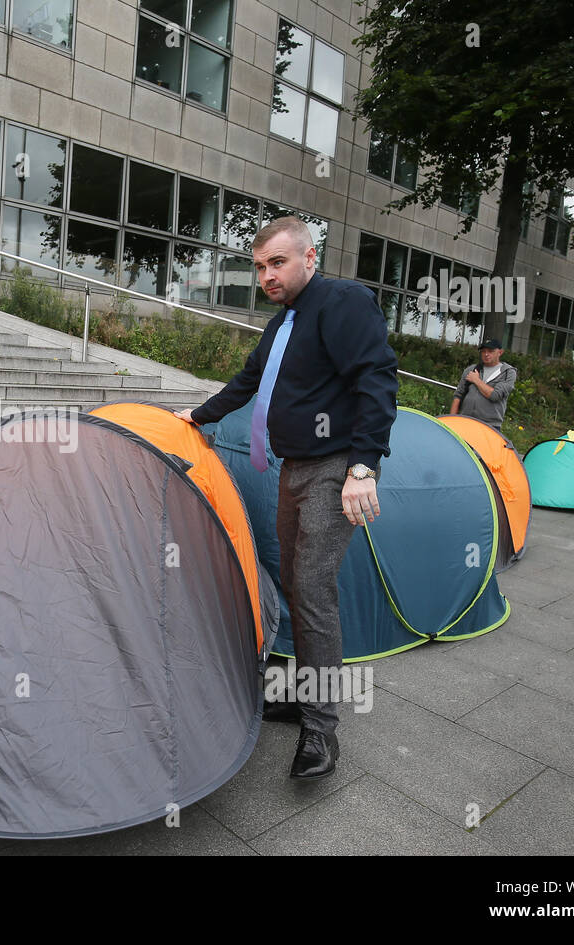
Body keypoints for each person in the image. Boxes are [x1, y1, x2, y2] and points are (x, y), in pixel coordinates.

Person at [173, 217, 398, 780]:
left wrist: (364, 466)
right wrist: (197, 418)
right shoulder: (282, 325)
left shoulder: (343, 303)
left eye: (277, 262)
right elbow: (248, 381)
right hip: (292, 469)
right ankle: (303, 693)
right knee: (296, 583)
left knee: (315, 591)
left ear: (309, 258)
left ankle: (321, 732)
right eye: (259, 266)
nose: (267, 275)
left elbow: (377, 378)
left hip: (336, 469)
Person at [450, 339, 517, 431]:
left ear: (500, 352)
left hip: (490, 426)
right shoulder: (471, 369)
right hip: (464, 421)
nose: (486, 354)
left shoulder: (508, 373)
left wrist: (476, 380)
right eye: (483, 351)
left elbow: (495, 395)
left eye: (490, 351)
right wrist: (451, 420)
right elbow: (458, 395)